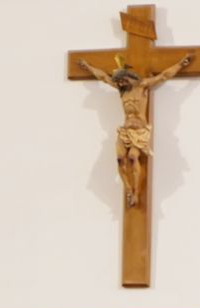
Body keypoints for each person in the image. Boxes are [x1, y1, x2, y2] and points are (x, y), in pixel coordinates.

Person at [77, 53, 193, 207]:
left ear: (129, 77)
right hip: (125, 131)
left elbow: (164, 75)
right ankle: (129, 189)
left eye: (123, 80)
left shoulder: (142, 86)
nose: (120, 83)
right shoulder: (122, 90)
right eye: (119, 81)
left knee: (132, 157)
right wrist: (88, 67)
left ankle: (137, 192)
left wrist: (181, 64)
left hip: (139, 132)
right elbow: (104, 77)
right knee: (119, 159)